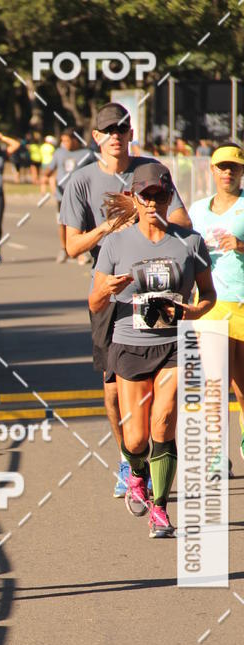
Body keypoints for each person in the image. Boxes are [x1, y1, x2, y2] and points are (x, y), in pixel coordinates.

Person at [60, 102, 192, 499]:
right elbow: (71, 246)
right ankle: (128, 458)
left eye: (122, 128)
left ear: (130, 132)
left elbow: (184, 223)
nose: (116, 135)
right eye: (108, 130)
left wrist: (146, 217)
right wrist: (110, 226)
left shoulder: (150, 170)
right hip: (113, 296)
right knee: (115, 389)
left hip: (158, 291)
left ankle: (154, 453)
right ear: (96, 137)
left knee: (161, 385)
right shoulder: (81, 181)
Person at [89, 161, 216, 537]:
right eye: (145, 196)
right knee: (136, 439)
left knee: (163, 422)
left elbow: (208, 294)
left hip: (174, 345)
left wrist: (195, 310)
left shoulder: (189, 242)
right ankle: (137, 475)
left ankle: (160, 508)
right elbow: (95, 303)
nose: (153, 202)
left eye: (160, 195)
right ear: (134, 198)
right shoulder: (115, 243)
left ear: (168, 197)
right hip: (129, 344)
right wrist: (107, 290)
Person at [189, 143, 244, 460]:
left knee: (242, 389)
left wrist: (240, 244)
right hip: (211, 304)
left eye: (233, 167)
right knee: (213, 382)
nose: (227, 172)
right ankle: (215, 455)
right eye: (222, 167)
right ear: (212, 171)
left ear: (241, 172)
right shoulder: (197, 210)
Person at [42, 128, 94, 263]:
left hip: (81, 195)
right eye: (62, 140)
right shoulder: (59, 153)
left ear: (75, 140)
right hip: (62, 195)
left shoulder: (87, 154)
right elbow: (49, 169)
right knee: (62, 222)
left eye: (67, 140)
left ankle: (82, 251)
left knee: (81, 223)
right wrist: (46, 176)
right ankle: (63, 249)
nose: (64, 143)